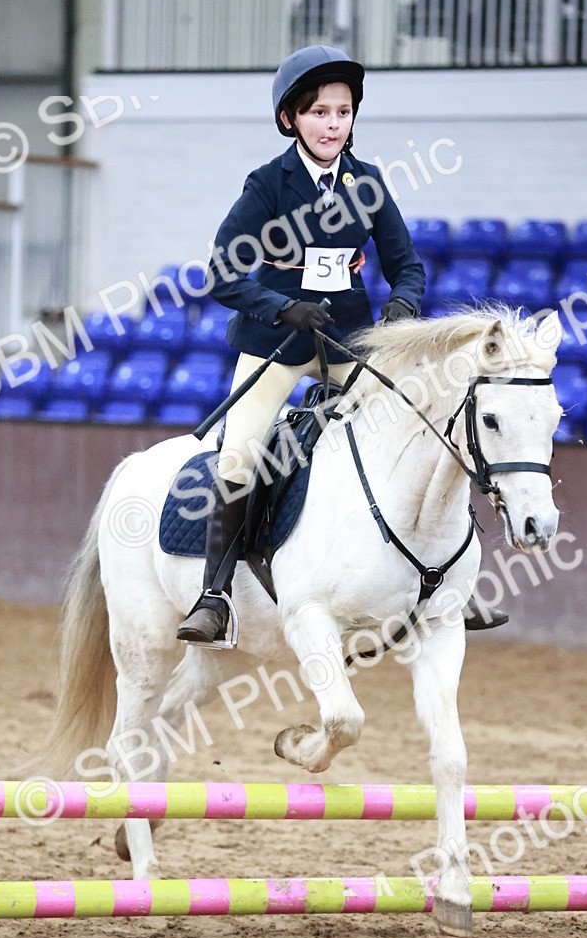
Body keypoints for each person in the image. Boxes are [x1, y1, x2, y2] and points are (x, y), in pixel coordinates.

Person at [177, 44, 505, 646]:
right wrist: (282, 306)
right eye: (320, 113)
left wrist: (403, 304)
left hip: (346, 340)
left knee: (421, 425)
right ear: (291, 120)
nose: (333, 124)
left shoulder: (367, 183)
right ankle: (215, 595)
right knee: (240, 454)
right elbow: (222, 271)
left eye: (343, 112)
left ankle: (458, 583)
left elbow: (407, 265)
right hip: (278, 339)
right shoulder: (267, 185)